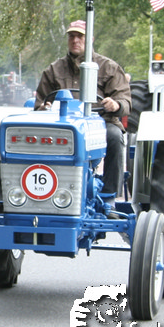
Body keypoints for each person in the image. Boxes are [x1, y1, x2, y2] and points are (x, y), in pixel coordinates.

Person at [34, 20, 131, 205]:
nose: (75, 40)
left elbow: (125, 101)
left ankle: (109, 196)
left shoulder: (109, 67)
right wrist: (44, 108)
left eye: (80, 36)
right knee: (36, 138)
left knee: (114, 136)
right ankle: (42, 190)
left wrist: (116, 105)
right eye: (71, 36)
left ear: (90, 39)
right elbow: (40, 102)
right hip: (63, 125)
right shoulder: (54, 69)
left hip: (100, 123)